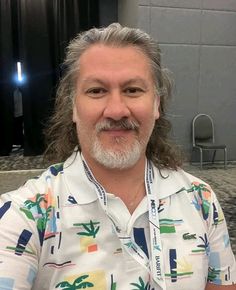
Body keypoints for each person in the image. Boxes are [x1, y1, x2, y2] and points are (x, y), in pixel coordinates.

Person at [0, 23, 235, 290]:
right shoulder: (23, 215)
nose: (116, 110)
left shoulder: (201, 200)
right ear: (74, 108)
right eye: (96, 91)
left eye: (133, 90)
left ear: (157, 104)